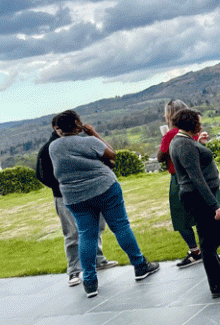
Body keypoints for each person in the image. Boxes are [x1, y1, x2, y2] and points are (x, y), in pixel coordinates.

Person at [48, 110, 159, 298]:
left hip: (74, 196)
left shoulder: (54, 147)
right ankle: (140, 266)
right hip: (105, 187)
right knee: (120, 226)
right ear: (77, 123)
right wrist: (94, 133)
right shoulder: (89, 141)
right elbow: (111, 153)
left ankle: (90, 282)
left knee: (86, 235)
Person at [169, 109, 220, 298]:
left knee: (212, 240)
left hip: (199, 196)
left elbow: (195, 164)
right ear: (191, 124)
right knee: (208, 243)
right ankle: (218, 286)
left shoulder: (184, 141)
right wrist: (214, 205)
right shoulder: (183, 144)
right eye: (198, 122)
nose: (201, 125)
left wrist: (200, 145)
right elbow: (196, 178)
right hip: (199, 197)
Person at [36, 114, 118, 287]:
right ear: (55, 129)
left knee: (94, 228)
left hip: (86, 192)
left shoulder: (76, 143)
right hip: (63, 195)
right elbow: (42, 175)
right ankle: (74, 270)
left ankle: (98, 259)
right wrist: (62, 186)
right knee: (73, 234)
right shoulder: (48, 148)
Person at [157, 99, 220, 268]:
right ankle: (218, 274)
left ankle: (195, 251)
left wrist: (164, 141)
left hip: (181, 180)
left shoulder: (171, 135)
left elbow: (160, 158)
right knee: (208, 230)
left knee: (182, 219)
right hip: (202, 182)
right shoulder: (189, 134)